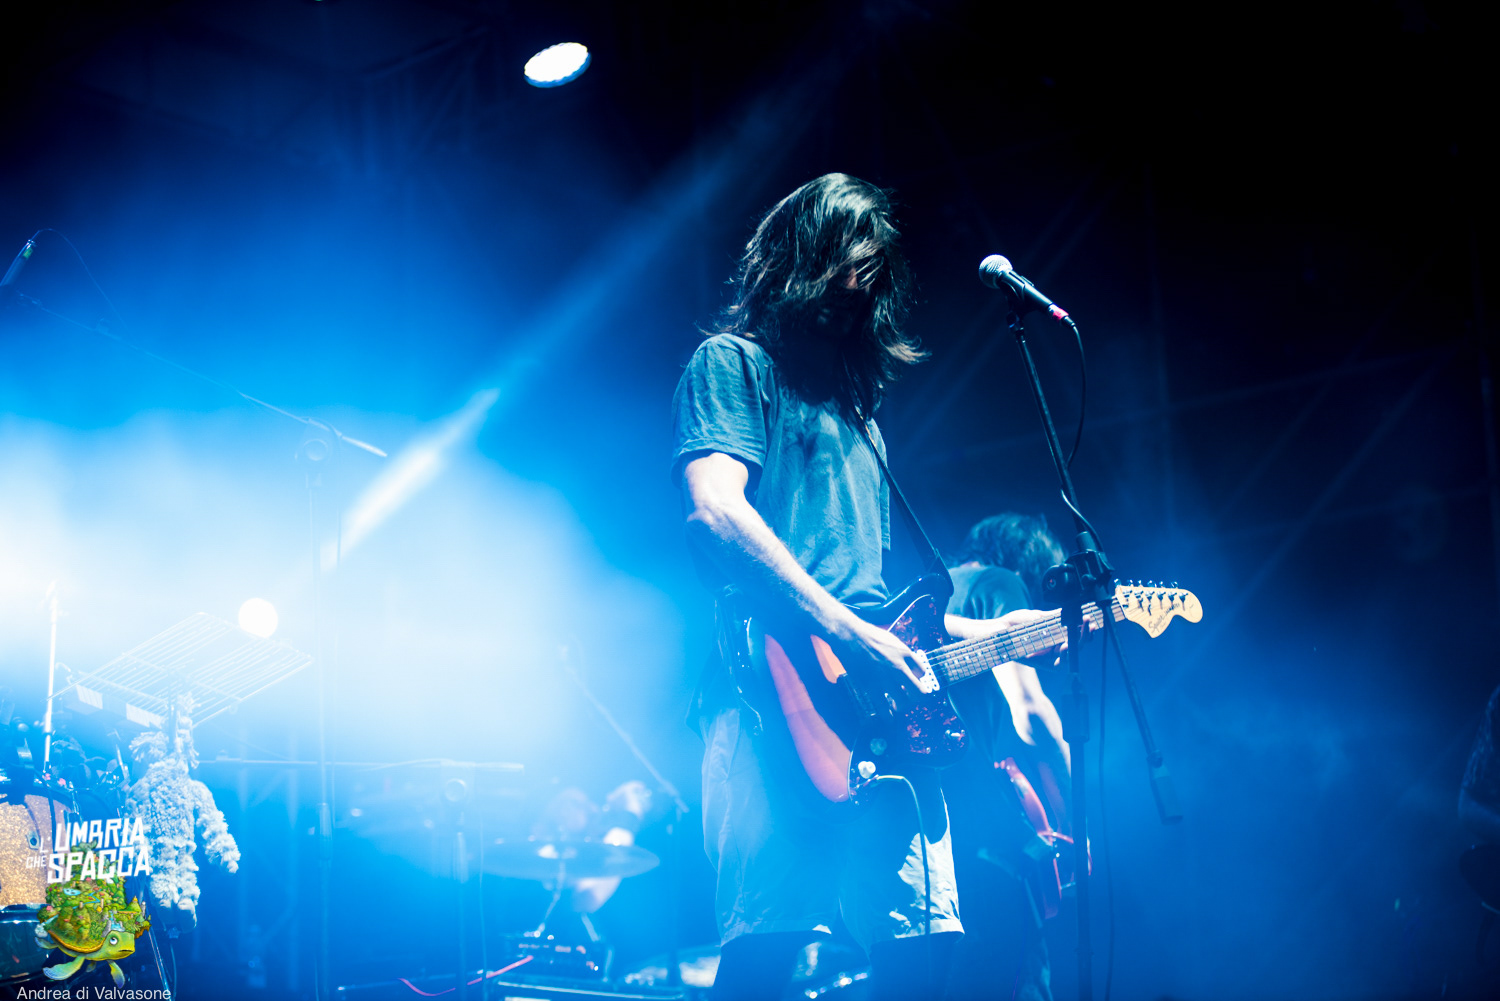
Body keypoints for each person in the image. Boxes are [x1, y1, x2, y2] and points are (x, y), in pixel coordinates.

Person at [671, 174, 1058, 1001]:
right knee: (765, 959)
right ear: (801, 254)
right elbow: (716, 513)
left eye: (878, 262)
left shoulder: (863, 422)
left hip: (877, 726)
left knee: (923, 957)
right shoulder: (732, 365)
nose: (867, 275)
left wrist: (1008, 635)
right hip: (767, 699)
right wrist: (851, 634)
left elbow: (883, 612)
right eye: (852, 250)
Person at [943, 513, 1072, 1001]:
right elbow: (1030, 713)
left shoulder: (930, 596)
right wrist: (1078, 810)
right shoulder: (999, 582)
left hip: (933, 826)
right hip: (986, 837)